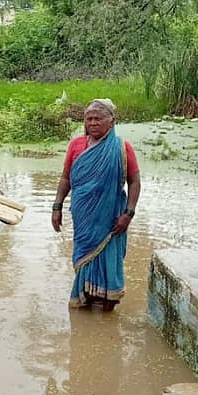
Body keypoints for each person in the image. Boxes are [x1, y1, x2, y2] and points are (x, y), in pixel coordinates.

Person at [52, 99, 141, 311]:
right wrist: (57, 206)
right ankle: (85, 297)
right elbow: (66, 179)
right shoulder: (76, 146)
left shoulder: (122, 148)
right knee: (84, 254)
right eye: (88, 118)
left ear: (111, 121)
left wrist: (128, 214)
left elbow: (134, 182)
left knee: (109, 254)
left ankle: (108, 300)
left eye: (98, 118)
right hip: (83, 215)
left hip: (112, 217)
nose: (92, 123)